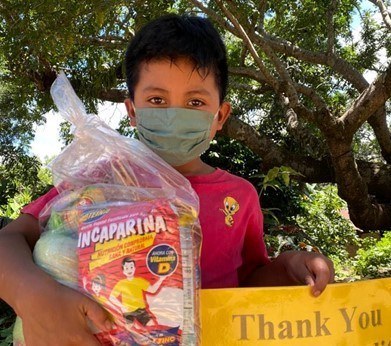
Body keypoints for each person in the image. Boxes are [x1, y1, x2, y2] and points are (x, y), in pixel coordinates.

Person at [0, 14, 334, 345]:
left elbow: (248, 279)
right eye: (157, 100)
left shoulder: (239, 196)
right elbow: (10, 239)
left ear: (220, 115)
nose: (176, 114)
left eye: (195, 102)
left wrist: (289, 267)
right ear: (132, 111)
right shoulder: (98, 181)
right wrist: (31, 295)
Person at [109, 257, 163, 329]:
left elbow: (152, 290)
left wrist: (161, 279)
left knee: (151, 324)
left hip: (140, 310)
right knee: (129, 327)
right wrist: (122, 307)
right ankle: (126, 338)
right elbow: (111, 297)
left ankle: (152, 337)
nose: (129, 270)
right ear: (123, 271)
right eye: (126, 268)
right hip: (127, 310)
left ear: (134, 268)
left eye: (131, 267)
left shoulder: (139, 281)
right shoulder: (121, 283)